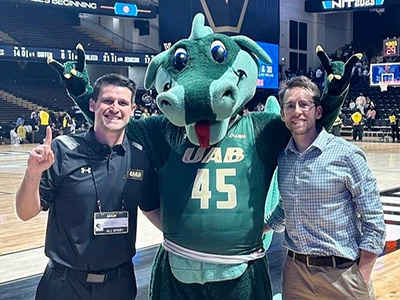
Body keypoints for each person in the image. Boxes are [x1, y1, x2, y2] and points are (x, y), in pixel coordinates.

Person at [15, 74, 161, 300]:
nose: (115, 108)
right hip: (65, 284)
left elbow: (152, 208)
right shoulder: (63, 150)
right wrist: (33, 173)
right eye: (107, 101)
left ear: (132, 109)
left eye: (122, 103)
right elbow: (25, 213)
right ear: (92, 105)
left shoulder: (140, 156)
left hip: (119, 285)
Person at [264, 76, 386, 299]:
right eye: (290, 106)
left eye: (304, 104)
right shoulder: (284, 158)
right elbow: (286, 208)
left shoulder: (346, 154)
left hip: (342, 273)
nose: (297, 111)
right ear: (282, 115)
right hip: (295, 273)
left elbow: (374, 221)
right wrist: (255, 231)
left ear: (318, 112)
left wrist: (361, 276)